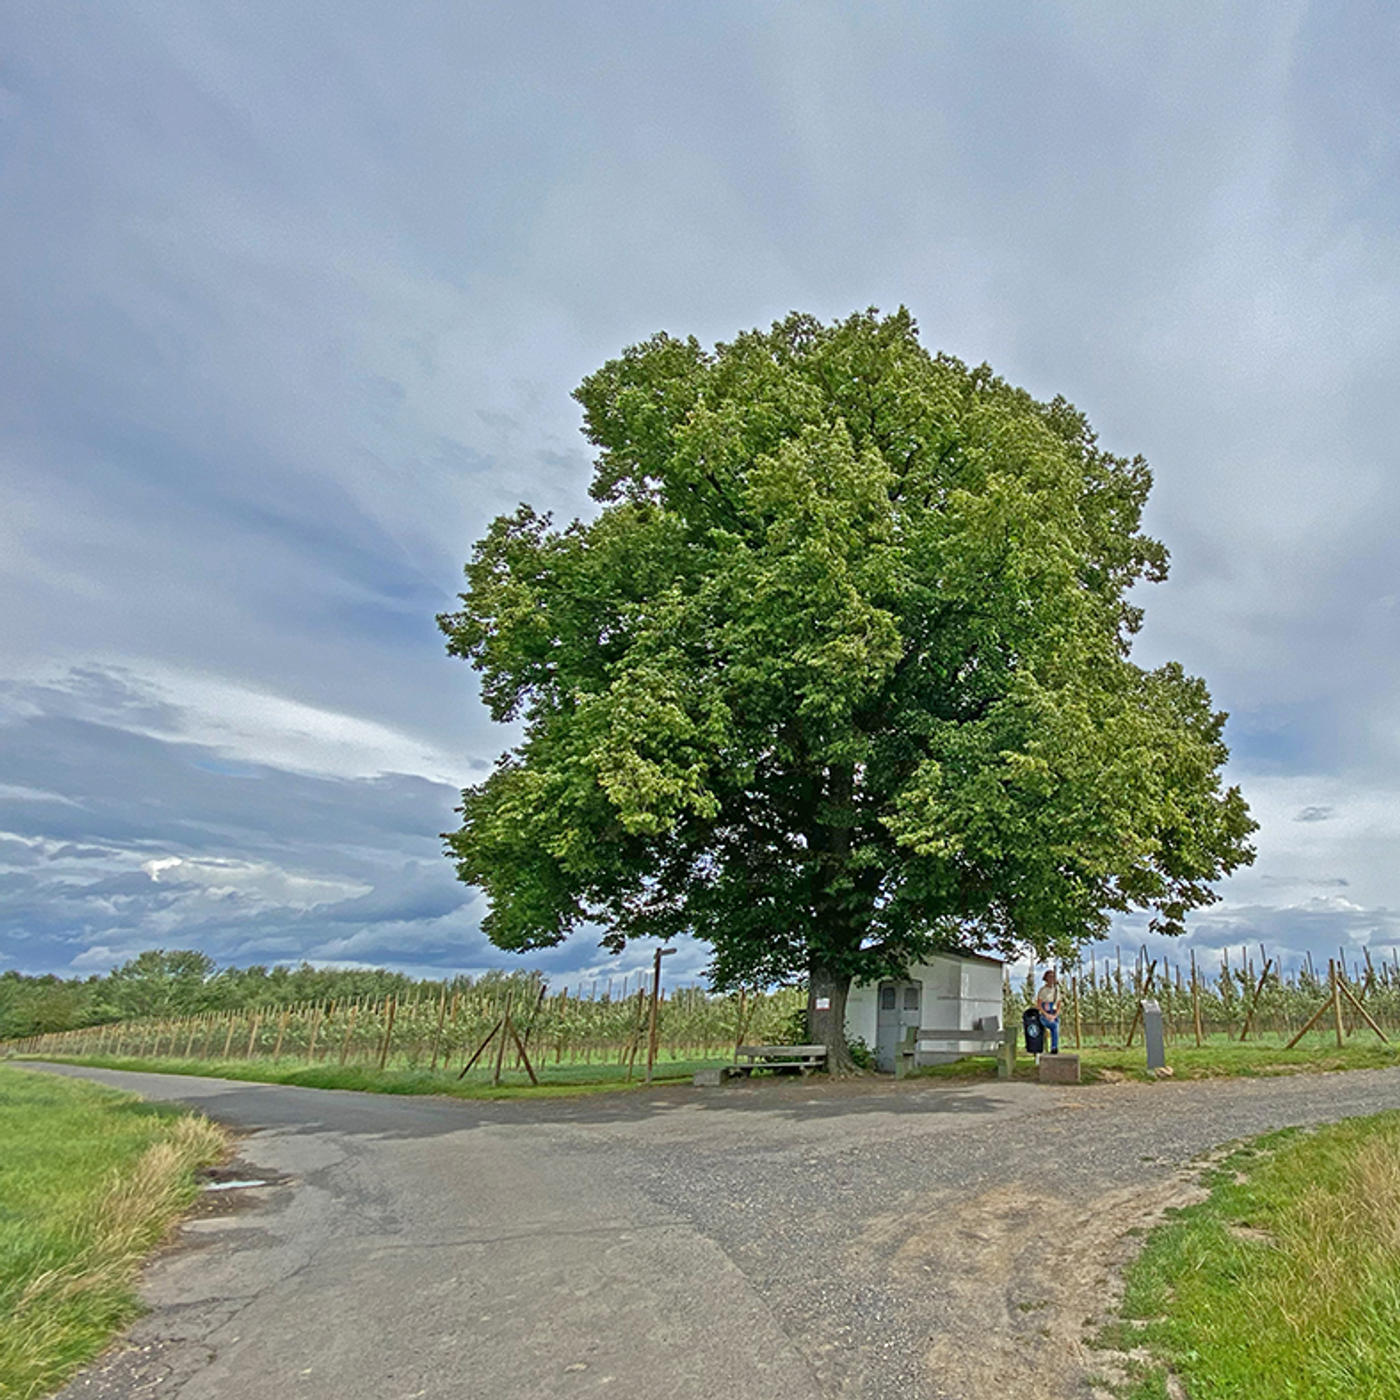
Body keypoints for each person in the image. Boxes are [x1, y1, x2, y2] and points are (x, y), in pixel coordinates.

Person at [1035, 969, 1061, 1054]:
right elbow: (1039, 1005)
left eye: (1053, 977)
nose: (1051, 979)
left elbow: (1059, 1005)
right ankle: (1054, 1047)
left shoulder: (1056, 990)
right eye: (1049, 977)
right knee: (1054, 1025)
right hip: (1044, 1014)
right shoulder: (1043, 990)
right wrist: (1046, 1015)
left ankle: (1054, 1047)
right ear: (1046, 978)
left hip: (1053, 1013)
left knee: (1056, 1025)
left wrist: (1055, 1015)